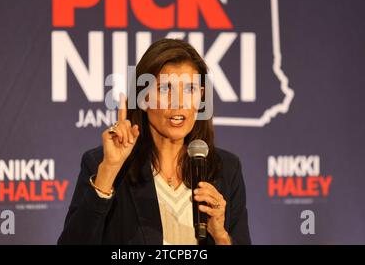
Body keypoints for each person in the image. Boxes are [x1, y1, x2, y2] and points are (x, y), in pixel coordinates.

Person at [58, 38, 251, 245]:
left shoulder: (226, 169)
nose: (179, 103)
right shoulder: (104, 164)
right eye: (166, 89)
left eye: (189, 90)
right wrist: (108, 172)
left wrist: (220, 235)